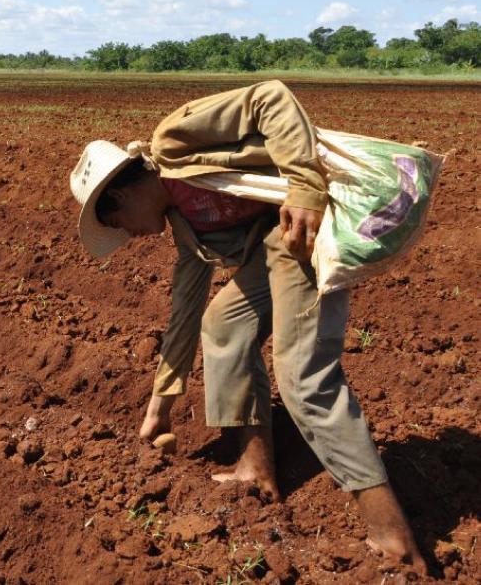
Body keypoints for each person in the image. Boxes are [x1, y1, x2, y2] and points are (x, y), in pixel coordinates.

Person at [69, 80, 424, 572]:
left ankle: (392, 536)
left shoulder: (175, 141)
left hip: (306, 225)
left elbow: (270, 97)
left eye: (117, 222)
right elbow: (184, 316)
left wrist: (303, 185)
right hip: (278, 241)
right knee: (223, 323)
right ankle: (256, 467)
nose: (125, 234)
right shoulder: (188, 231)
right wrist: (160, 408)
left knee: (302, 375)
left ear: (123, 194)